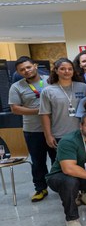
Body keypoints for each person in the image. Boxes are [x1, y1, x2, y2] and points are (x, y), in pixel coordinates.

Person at [8, 56, 56, 202]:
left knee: (58, 159)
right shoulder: (16, 87)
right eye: (22, 70)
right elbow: (15, 109)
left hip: (55, 128)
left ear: (35, 66)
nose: (26, 71)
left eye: (28, 67)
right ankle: (40, 189)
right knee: (38, 161)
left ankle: (60, 186)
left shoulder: (50, 80)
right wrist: (39, 111)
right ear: (18, 72)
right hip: (33, 131)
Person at [40, 58, 86, 149]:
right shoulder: (48, 91)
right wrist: (48, 136)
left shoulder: (83, 87)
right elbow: (44, 115)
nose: (67, 71)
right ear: (56, 71)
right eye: (62, 69)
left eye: (70, 69)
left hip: (82, 133)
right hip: (59, 134)